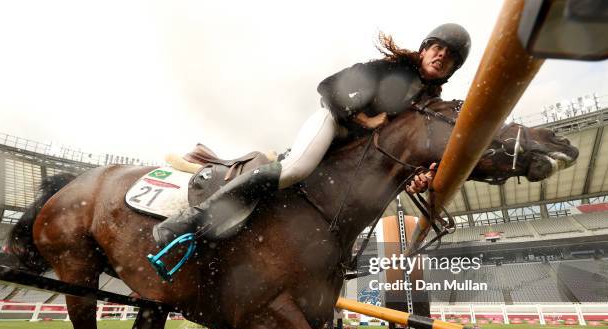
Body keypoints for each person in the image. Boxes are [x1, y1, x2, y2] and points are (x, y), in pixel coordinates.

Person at [153, 23, 471, 247]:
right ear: (425, 49)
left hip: (356, 152)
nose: (441, 55)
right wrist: (365, 118)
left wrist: (420, 175)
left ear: (453, 69)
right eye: (438, 48)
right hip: (334, 123)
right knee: (295, 170)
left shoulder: (428, 104)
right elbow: (330, 86)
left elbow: (413, 147)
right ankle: (190, 220)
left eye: (450, 56)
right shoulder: (391, 69)